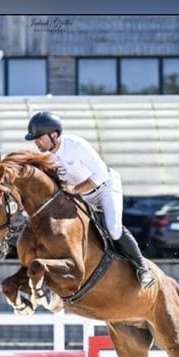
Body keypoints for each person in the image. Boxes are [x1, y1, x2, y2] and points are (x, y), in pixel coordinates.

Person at [24, 110, 155, 289]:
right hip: (82, 195)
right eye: (35, 139)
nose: (36, 142)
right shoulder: (44, 155)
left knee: (114, 229)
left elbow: (100, 174)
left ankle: (142, 268)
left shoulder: (76, 145)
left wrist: (75, 189)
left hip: (105, 188)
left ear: (54, 135)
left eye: (39, 137)